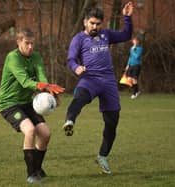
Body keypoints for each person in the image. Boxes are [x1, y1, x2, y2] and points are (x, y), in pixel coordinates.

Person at [62, 2, 134, 174]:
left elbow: (126, 35)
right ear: (85, 22)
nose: (95, 26)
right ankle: (70, 120)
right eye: (92, 23)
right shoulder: (78, 39)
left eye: (98, 24)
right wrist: (76, 67)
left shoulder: (106, 34)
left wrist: (127, 17)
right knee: (80, 97)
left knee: (112, 122)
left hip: (108, 81)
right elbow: (71, 59)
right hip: (90, 79)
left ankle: (103, 156)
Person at [0, 28, 64, 183]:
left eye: (32, 43)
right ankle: (31, 174)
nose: (30, 47)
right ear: (18, 42)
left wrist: (50, 92)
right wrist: (45, 86)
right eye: (27, 43)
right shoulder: (12, 58)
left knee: (46, 134)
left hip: (27, 103)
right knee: (30, 130)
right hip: (9, 104)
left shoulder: (36, 57)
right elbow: (25, 82)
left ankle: (37, 168)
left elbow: (41, 77)